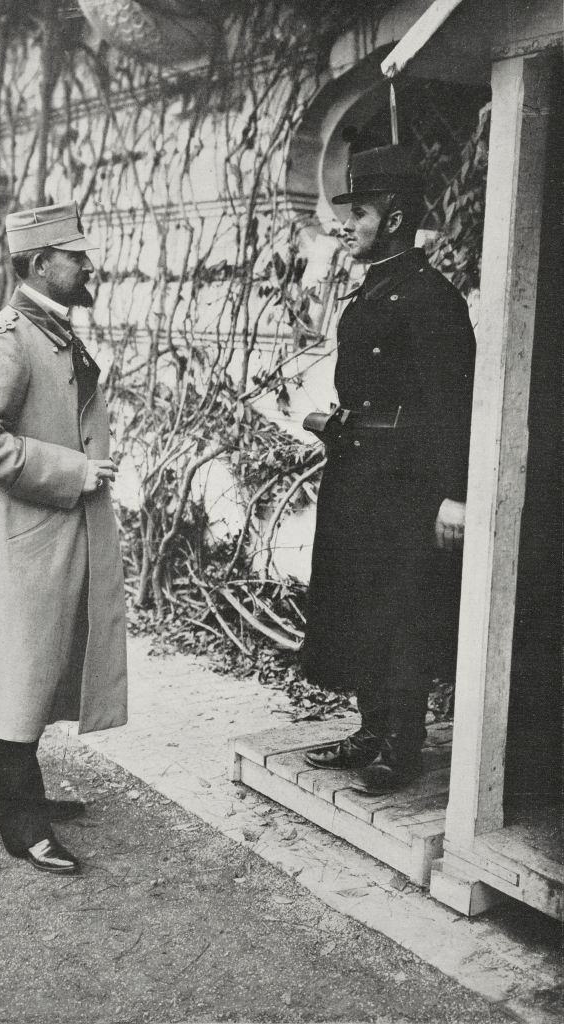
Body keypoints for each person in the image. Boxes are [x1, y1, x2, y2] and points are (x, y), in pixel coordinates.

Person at [0, 200, 128, 874]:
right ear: (41, 264)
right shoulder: (5, 336)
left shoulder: (49, 329)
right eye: (75, 256)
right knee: (18, 671)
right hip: (23, 536)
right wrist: (71, 470)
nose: (87, 263)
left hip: (49, 532)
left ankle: (19, 793)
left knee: (36, 669)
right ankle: (19, 817)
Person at [302, 145, 475, 795]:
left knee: (403, 606)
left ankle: (402, 743)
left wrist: (450, 495)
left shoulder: (433, 299)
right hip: (357, 472)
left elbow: (455, 405)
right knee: (357, 600)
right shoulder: (370, 291)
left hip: (408, 480)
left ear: (396, 218)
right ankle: (371, 729)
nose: (344, 224)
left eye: (359, 212)